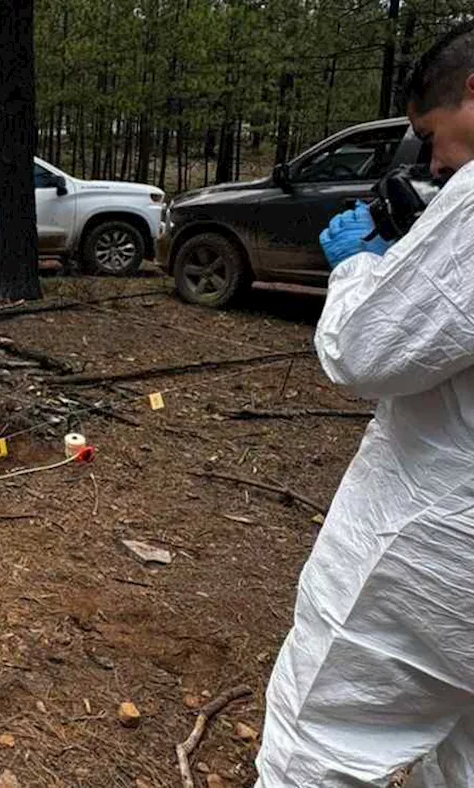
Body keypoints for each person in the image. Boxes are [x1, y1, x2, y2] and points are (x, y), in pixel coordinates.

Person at [255, 22, 474, 787]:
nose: (434, 161)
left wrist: (358, 268)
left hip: (436, 549)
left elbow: (367, 352)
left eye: (429, 135)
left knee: (316, 745)